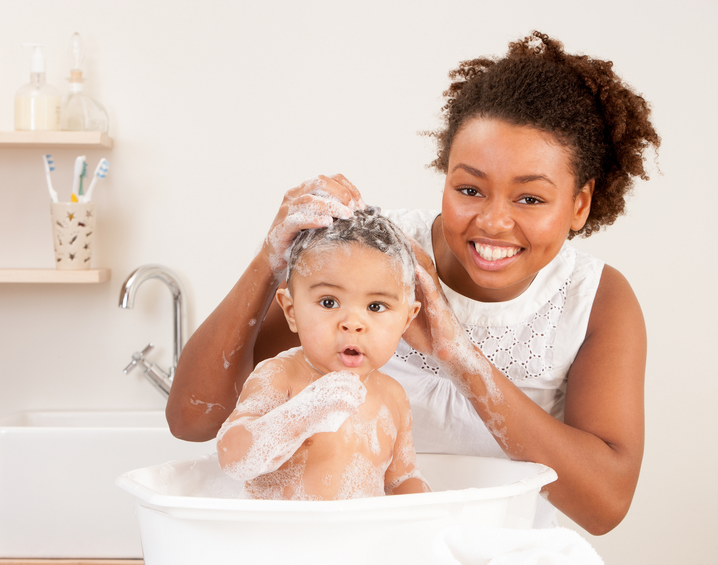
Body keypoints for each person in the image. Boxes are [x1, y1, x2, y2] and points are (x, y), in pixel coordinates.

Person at [169, 32, 659, 534]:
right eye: (469, 188)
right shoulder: (371, 262)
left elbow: (604, 505)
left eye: (530, 199)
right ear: (444, 175)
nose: (492, 222)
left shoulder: (594, 299)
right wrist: (268, 259)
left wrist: (459, 357)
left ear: (579, 204)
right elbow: (192, 421)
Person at [216, 208, 430, 500]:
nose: (353, 323)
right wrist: (304, 412)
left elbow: (401, 479)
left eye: (376, 306)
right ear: (291, 311)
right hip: (279, 539)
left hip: (354, 541)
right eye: (329, 302)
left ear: (406, 320)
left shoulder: (393, 396)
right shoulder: (281, 376)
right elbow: (232, 456)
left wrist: (430, 512)